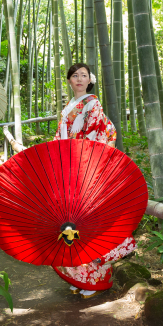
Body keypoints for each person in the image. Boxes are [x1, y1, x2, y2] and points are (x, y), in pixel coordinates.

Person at [52, 63, 133, 298]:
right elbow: (60, 138)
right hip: (69, 171)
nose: (79, 79)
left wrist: (87, 163)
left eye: (83, 75)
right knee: (72, 224)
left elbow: (104, 133)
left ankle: (95, 279)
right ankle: (79, 277)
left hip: (86, 169)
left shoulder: (93, 104)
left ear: (90, 80)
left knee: (90, 224)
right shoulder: (69, 107)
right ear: (69, 80)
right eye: (74, 75)